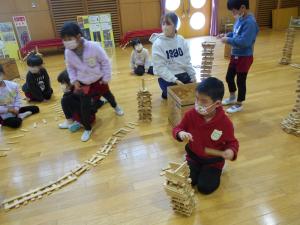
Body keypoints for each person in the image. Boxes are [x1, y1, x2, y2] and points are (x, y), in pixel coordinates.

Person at [173, 77, 239, 194]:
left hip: (213, 162)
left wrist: (231, 151)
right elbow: (178, 128)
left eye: (203, 101)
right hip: (193, 157)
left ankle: (215, 170)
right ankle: (196, 169)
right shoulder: (190, 115)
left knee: (205, 188)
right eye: (197, 99)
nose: (198, 104)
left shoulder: (225, 123)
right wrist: (181, 133)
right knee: (188, 181)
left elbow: (232, 142)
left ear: (217, 103)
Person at [60, 21, 124, 142]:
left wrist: (106, 78)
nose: (67, 42)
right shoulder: (68, 52)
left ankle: (116, 107)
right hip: (84, 84)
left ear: (78, 36)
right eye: (64, 39)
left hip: (99, 81)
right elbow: (70, 67)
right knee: (85, 107)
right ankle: (87, 128)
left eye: (69, 38)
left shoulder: (93, 46)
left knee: (109, 96)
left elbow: (105, 61)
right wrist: (74, 81)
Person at [219, 0, 259, 113]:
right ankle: (232, 97)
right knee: (229, 77)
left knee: (241, 81)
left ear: (242, 8)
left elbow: (245, 42)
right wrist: (227, 35)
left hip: (245, 57)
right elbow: (236, 33)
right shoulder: (240, 19)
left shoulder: (250, 23)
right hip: (235, 54)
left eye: (234, 10)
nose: (233, 13)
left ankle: (239, 103)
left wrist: (228, 40)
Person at [150, 12, 196, 99]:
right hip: (167, 77)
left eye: (168, 24)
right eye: (163, 24)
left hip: (182, 74)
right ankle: (165, 93)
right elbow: (160, 68)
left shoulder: (181, 40)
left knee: (191, 93)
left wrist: (192, 76)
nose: (165, 27)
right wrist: (175, 80)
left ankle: (167, 93)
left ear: (175, 26)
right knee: (175, 95)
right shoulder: (157, 44)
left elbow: (187, 61)